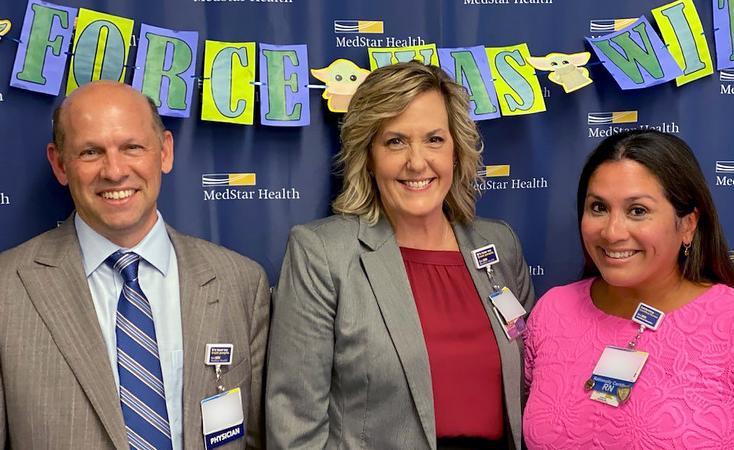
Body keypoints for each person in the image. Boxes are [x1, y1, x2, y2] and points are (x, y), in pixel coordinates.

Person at [266, 61, 535, 450]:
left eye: (434, 140)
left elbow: (532, 383)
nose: (417, 161)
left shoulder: (499, 244)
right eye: (395, 141)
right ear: (369, 156)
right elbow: (294, 424)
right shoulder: (322, 253)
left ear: (456, 150)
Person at [0, 81, 269, 450]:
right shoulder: (7, 290)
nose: (114, 171)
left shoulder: (240, 283)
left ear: (164, 152)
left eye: (132, 147)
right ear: (60, 164)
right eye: (91, 152)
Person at [522, 130, 734, 449]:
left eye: (637, 210)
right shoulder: (553, 312)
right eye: (598, 207)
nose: (612, 232)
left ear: (687, 224)